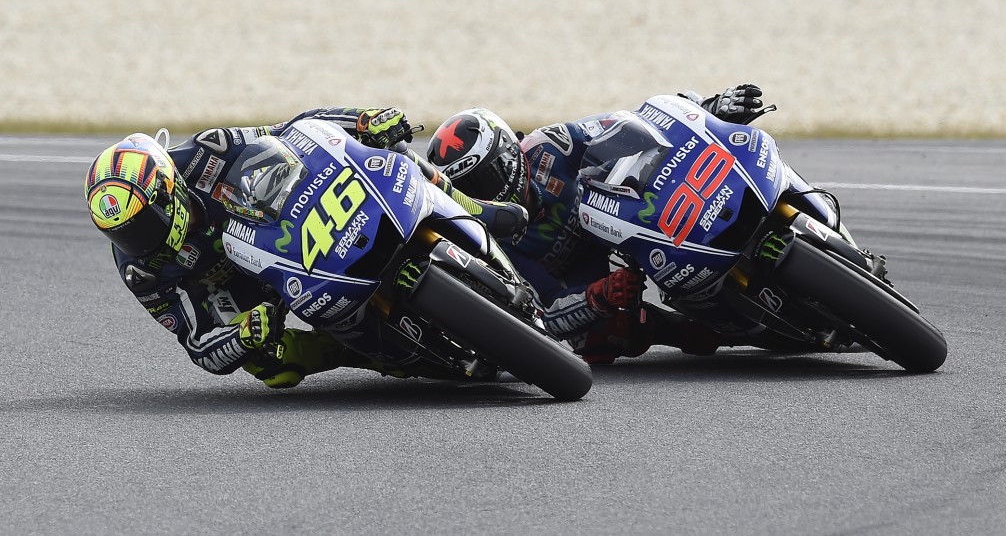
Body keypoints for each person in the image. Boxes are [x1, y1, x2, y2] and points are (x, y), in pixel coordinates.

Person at [425, 85, 769, 364]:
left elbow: (638, 126)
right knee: (597, 342)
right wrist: (598, 296)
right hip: (578, 274)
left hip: (623, 211)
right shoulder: (491, 240)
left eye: (488, 175)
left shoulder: (550, 146)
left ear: (510, 151)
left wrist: (709, 108)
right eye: (472, 189)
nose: (489, 191)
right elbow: (539, 315)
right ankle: (689, 329)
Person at [84, 106, 419, 388]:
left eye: (144, 223)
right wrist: (242, 335)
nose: (136, 243)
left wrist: (361, 120)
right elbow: (198, 343)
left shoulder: (209, 149)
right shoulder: (141, 272)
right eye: (122, 235)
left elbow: (295, 130)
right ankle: (370, 353)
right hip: (240, 286)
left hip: (287, 227)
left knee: (389, 150)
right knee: (273, 366)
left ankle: (467, 207)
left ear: (168, 190)